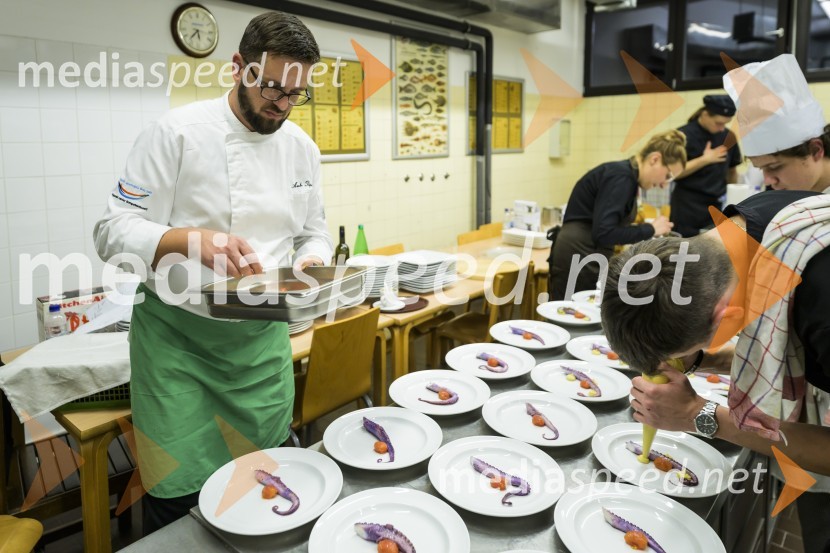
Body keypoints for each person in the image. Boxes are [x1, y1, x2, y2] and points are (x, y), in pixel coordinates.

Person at [93, 12, 333, 533]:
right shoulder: (175, 133)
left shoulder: (302, 150)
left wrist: (312, 260)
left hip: (262, 341)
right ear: (238, 68)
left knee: (267, 477)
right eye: (271, 87)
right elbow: (110, 232)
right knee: (178, 491)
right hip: (178, 347)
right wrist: (188, 240)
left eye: (296, 94)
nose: (282, 104)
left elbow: (313, 231)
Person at [602, 53, 830, 551]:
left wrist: (701, 416)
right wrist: (706, 355)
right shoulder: (752, 221)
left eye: (775, 167)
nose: (769, 179)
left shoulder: (821, 288)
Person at [548, 130, 682, 301]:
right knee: (572, 316)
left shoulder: (626, 177)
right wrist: (650, 229)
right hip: (579, 255)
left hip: (587, 253)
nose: (664, 185)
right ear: (654, 159)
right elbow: (604, 233)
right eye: (668, 176)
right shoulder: (621, 178)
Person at [670, 94, 743, 237]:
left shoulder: (728, 137)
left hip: (715, 205)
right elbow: (674, 172)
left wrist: (732, 198)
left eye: (725, 124)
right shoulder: (683, 135)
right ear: (705, 114)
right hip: (687, 206)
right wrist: (705, 159)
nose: (722, 128)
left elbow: (732, 170)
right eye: (718, 123)